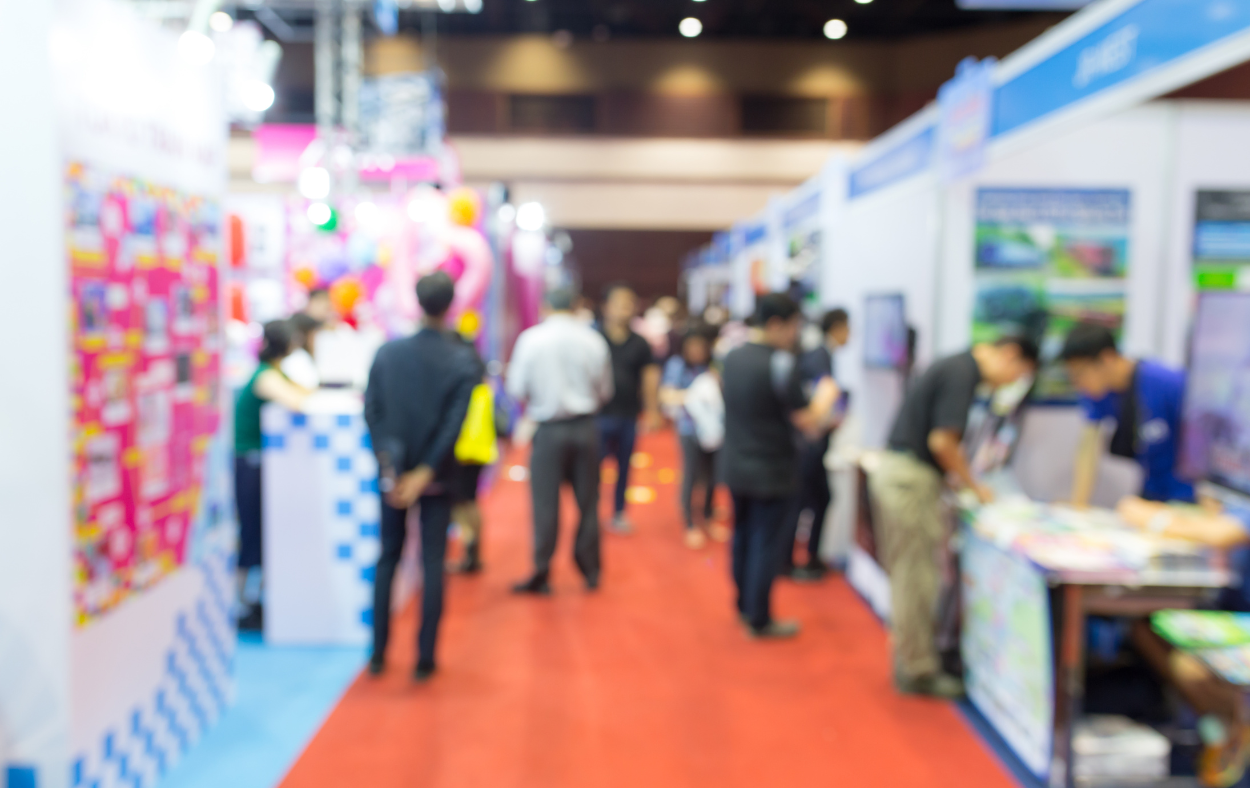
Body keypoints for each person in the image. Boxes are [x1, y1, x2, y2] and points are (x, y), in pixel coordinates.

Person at [872, 336, 1039, 697]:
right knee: (916, 577)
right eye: (1017, 374)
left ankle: (912, 659)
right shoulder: (963, 372)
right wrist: (972, 485)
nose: (1009, 384)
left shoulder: (955, 366)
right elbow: (942, 442)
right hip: (911, 480)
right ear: (1009, 354)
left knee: (911, 574)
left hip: (904, 475)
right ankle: (918, 670)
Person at [363, 272, 479, 682]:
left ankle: (377, 653)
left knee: (387, 558)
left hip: (393, 475)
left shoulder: (387, 353)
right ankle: (424, 657)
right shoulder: (462, 360)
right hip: (437, 475)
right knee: (432, 561)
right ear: (451, 305)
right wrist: (427, 469)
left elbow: (372, 411)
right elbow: (454, 425)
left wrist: (391, 466)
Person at [722, 293, 840, 640]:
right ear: (776, 324)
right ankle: (759, 617)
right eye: (793, 327)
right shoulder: (780, 363)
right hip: (772, 467)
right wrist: (826, 399)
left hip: (736, 461)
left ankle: (745, 605)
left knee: (742, 534)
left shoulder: (732, 357)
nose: (795, 335)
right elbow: (807, 419)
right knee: (765, 541)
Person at [507, 286, 614, 595]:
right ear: (577, 305)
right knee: (589, 502)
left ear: (545, 306)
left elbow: (517, 388)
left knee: (544, 504)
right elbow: (605, 390)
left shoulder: (531, 339)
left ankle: (542, 571)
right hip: (585, 427)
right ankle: (591, 570)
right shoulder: (592, 340)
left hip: (549, 430)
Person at [1061, 323, 1196, 507]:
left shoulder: (1169, 383)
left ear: (1106, 359)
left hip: (1187, 493)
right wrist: (1078, 505)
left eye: (1080, 374)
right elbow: (1088, 447)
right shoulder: (1098, 392)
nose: (1079, 384)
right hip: (1150, 488)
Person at [233, 320, 311, 631]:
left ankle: (256, 600)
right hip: (249, 463)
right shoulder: (265, 377)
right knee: (251, 534)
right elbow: (297, 401)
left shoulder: (275, 373)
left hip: (260, 464)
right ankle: (239, 604)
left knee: (264, 533)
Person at [782, 308, 851, 581]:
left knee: (810, 500)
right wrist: (818, 421)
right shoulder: (821, 355)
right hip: (809, 445)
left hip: (808, 444)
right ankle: (803, 559)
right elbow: (823, 393)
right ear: (837, 327)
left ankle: (800, 558)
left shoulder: (817, 353)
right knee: (812, 500)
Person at [597, 284, 663, 535]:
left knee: (624, 466)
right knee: (594, 468)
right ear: (606, 307)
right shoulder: (595, 338)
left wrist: (653, 411)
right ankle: (591, 511)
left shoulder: (641, 343)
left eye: (629, 303)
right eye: (619, 303)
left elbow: (650, 378)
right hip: (599, 415)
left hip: (627, 414)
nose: (625, 309)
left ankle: (618, 512)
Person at [661, 326, 727, 549]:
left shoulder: (714, 366)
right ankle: (690, 523)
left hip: (715, 430)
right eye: (693, 346)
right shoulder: (677, 366)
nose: (697, 350)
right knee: (691, 474)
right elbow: (667, 394)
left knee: (712, 475)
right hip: (689, 429)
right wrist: (695, 396)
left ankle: (707, 516)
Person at [449, 316, 490, 575]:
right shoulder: (476, 365)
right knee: (469, 499)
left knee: (462, 501)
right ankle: (473, 551)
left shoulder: (461, 368)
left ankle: (470, 550)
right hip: (478, 444)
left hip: (464, 445)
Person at [281, 312, 323, 390]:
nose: (315, 340)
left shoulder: (300, 356)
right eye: (313, 335)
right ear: (304, 336)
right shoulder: (296, 359)